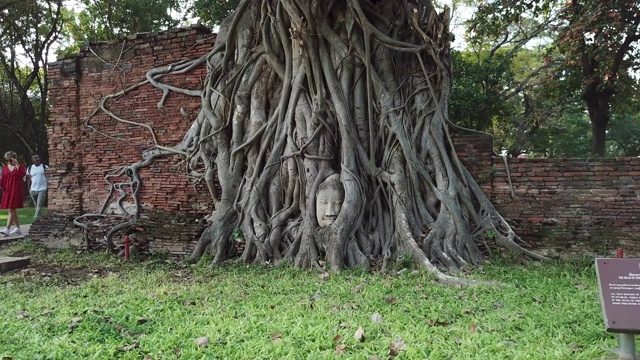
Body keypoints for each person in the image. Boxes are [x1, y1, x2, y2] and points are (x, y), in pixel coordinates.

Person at [0, 151, 26, 236]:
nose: (9, 161)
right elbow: (3, 179)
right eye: (8, 160)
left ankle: (7, 229)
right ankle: (18, 228)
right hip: (7, 191)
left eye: (11, 159)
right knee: (12, 210)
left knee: (11, 209)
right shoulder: (4, 168)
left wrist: (17, 164)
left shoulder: (19, 167)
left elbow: (23, 174)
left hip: (16, 190)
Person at [27, 154, 48, 220]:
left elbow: (49, 176)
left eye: (38, 157)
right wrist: (29, 188)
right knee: (36, 205)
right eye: (35, 158)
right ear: (32, 160)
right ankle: (41, 218)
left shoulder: (45, 167)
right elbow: (29, 179)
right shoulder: (30, 168)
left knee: (39, 204)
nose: (37, 159)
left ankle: (36, 218)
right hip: (33, 189)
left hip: (42, 188)